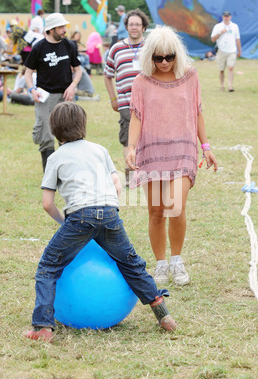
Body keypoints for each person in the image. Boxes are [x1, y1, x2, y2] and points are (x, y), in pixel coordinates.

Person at [22, 101, 177, 342]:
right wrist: (106, 213)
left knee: (48, 266)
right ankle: (163, 314)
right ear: (83, 125)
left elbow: (47, 203)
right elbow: (117, 186)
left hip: (79, 217)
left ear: (55, 130)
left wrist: (65, 222)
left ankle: (42, 326)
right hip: (109, 212)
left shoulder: (55, 157)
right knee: (131, 264)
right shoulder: (99, 149)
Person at [126, 26, 218, 286]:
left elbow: (197, 112)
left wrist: (206, 147)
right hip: (152, 151)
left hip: (182, 151)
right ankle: (161, 263)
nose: (164, 62)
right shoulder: (141, 82)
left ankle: (177, 260)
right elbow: (136, 116)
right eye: (158, 58)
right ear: (149, 57)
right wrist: (131, 147)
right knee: (156, 211)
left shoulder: (190, 77)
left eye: (169, 57)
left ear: (177, 54)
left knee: (176, 207)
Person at [24, 12, 82, 172]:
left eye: (64, 26)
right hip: (45, 97)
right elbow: (27, 72)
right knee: (45, 135)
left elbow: (78, 70)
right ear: (51, 29)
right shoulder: (39, 47)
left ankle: (68, 171)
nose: (64, 30)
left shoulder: (69, 45)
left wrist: (73, 85)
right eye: (61, 27)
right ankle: (49, 174)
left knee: (69, 133)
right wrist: (32, 89)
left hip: (66, 96)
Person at [104, 8, 149, 186]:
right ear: (126, 27)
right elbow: (107, 75)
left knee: (148, 137)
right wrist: (112, 98)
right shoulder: (116, 48)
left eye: (138, 24)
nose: (134, 27)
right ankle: (131, 176)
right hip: (125, 102)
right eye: (131, 24)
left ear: (144, 27)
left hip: (149, 102)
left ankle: (147, 173)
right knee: (128, 138)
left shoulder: (151, 47)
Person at [211, 11, 241, 92]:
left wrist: (239, 50)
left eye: (227, 16)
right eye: (225, 16)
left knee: (231, 67)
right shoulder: (218, 26)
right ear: (223, 17)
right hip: (221, 50)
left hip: (232, 50)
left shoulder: (234, 26)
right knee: (221, 70)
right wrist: (220, 32)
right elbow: (213, 39)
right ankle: (222, 85)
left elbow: (237, 39)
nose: (226, 18)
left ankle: (230, 86)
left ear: (230, 17)